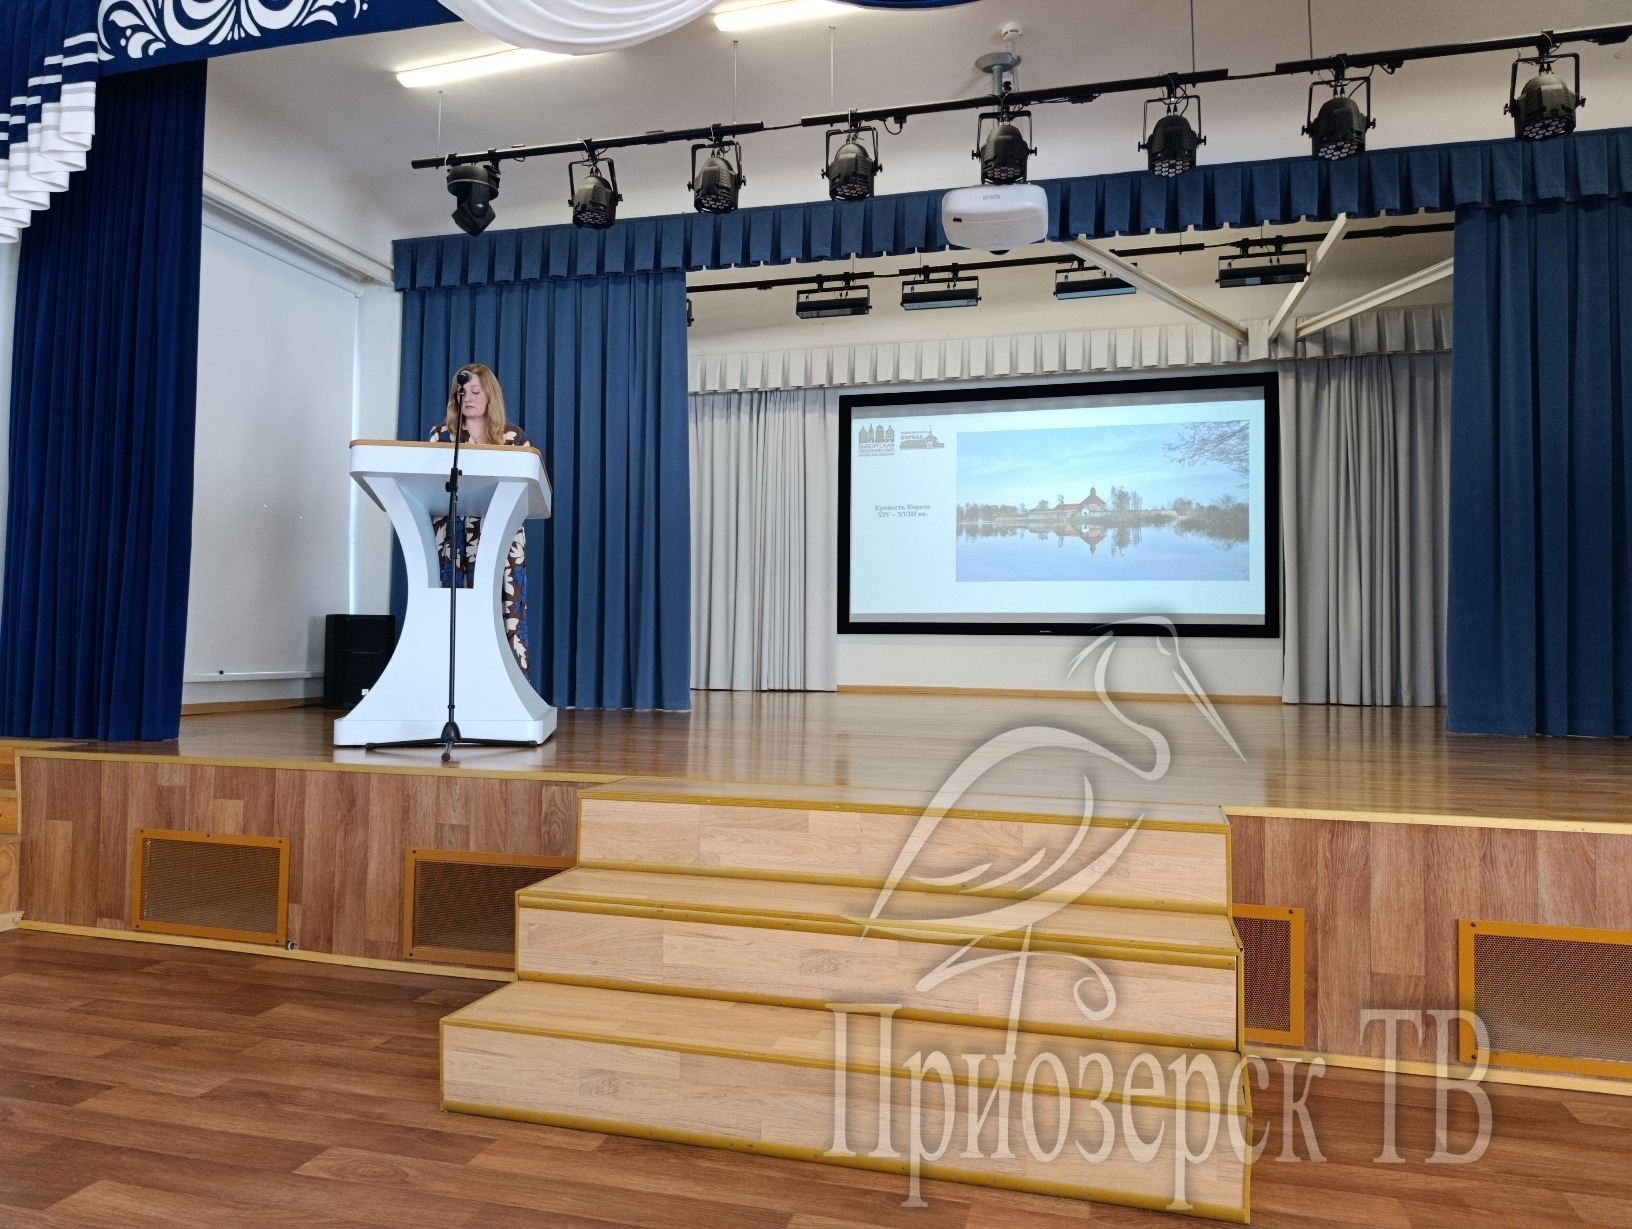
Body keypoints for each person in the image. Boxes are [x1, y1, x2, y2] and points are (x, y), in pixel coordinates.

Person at [430, 363, 533, 673]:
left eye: (476, 391)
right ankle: (453, 679)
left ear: (490, 396)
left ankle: (507, 683)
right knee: (454, 608)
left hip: (500, 533)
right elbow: (429, 483)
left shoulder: (513, 438)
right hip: (453, 532)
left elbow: (529, 488)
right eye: (462, 392)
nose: (468, 397)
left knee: (504, 608)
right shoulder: (442, 436)